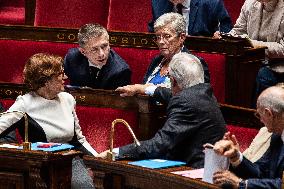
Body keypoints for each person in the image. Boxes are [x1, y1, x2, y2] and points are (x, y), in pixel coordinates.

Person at [97, 52, 226, 168]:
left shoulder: (185, 102)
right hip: (211, 166)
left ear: (173, 81)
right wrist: (144, 88)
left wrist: (117, 152)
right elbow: (170, 94)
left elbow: (160, 144)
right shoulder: (203, 93)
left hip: (197, 172)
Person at [0, 53, 96, 188]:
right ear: (46, 81)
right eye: (60, 74)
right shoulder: (24, 103)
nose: (65, 77)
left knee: (83, 185)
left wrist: (98, 160)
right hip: (38, 165)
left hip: (69, 161)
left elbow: (79, 140)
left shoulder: (67, 99)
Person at [116, 13, 210, 97]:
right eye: (158, 37)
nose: (161, 42)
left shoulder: (194, 63)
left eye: (167, 36)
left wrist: (144, 89)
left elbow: (190, 99)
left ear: (181, 37)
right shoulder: (156, 61)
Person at [212, 85, 284, 189]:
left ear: (269, 113)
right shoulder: (277, 136)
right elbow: (261, 172)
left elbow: (281, 185)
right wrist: (236, 156)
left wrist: (241, 184)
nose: (260, 120)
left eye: (259, 115)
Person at [214, 0, 284, 106]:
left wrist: (252, 43)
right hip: (250, 61)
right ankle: (234, 114)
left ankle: (257, 119)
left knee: (263, 75)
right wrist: (225, 37)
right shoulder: (249, 3)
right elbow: (238, 32)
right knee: (228, 68)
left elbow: (282, 49)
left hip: (278, 66)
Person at [64, 23, 131, 90]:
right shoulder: (72, 58)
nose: (101, 54)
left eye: (104, 46)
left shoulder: (121, 71)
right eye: (94, 49)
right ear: (83, 52)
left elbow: (118, 100)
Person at [148, 0, 232, 36]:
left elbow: (226, 30)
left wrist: (220, 35)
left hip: (199, 55)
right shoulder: (158, 3)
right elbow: (153, 31)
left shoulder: (211, 3)